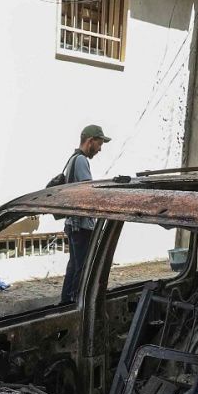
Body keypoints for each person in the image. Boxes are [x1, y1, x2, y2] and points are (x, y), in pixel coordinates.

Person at [58, 124, 112, 304]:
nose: (100, 149)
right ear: (90, 141)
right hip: (81, 226)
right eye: (99, 144)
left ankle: (66, 302)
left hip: (73, 224)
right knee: (82, 268)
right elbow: (89, 192)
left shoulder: (72, 159)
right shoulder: (81, 160)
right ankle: (75, 303)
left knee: (74, 266)